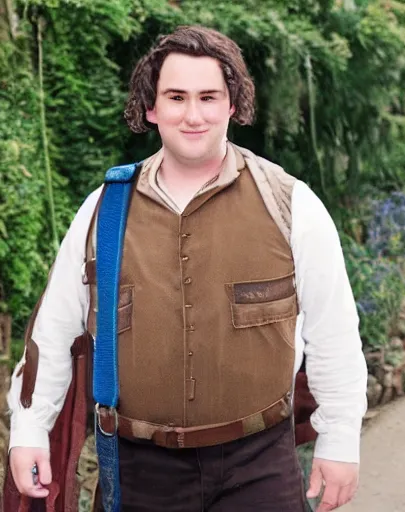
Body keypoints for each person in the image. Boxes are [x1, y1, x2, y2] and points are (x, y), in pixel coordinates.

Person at [7, 25, 368, 511]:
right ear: (151, 108)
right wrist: (29, 430)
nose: (193, 114)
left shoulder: (291, 204)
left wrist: (340, 440)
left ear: (232, 104)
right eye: (176, 97)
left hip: (259, 467)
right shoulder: (104, 211)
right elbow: (52, 335)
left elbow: (334, 333)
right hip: (139, 473)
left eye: (208, 97)